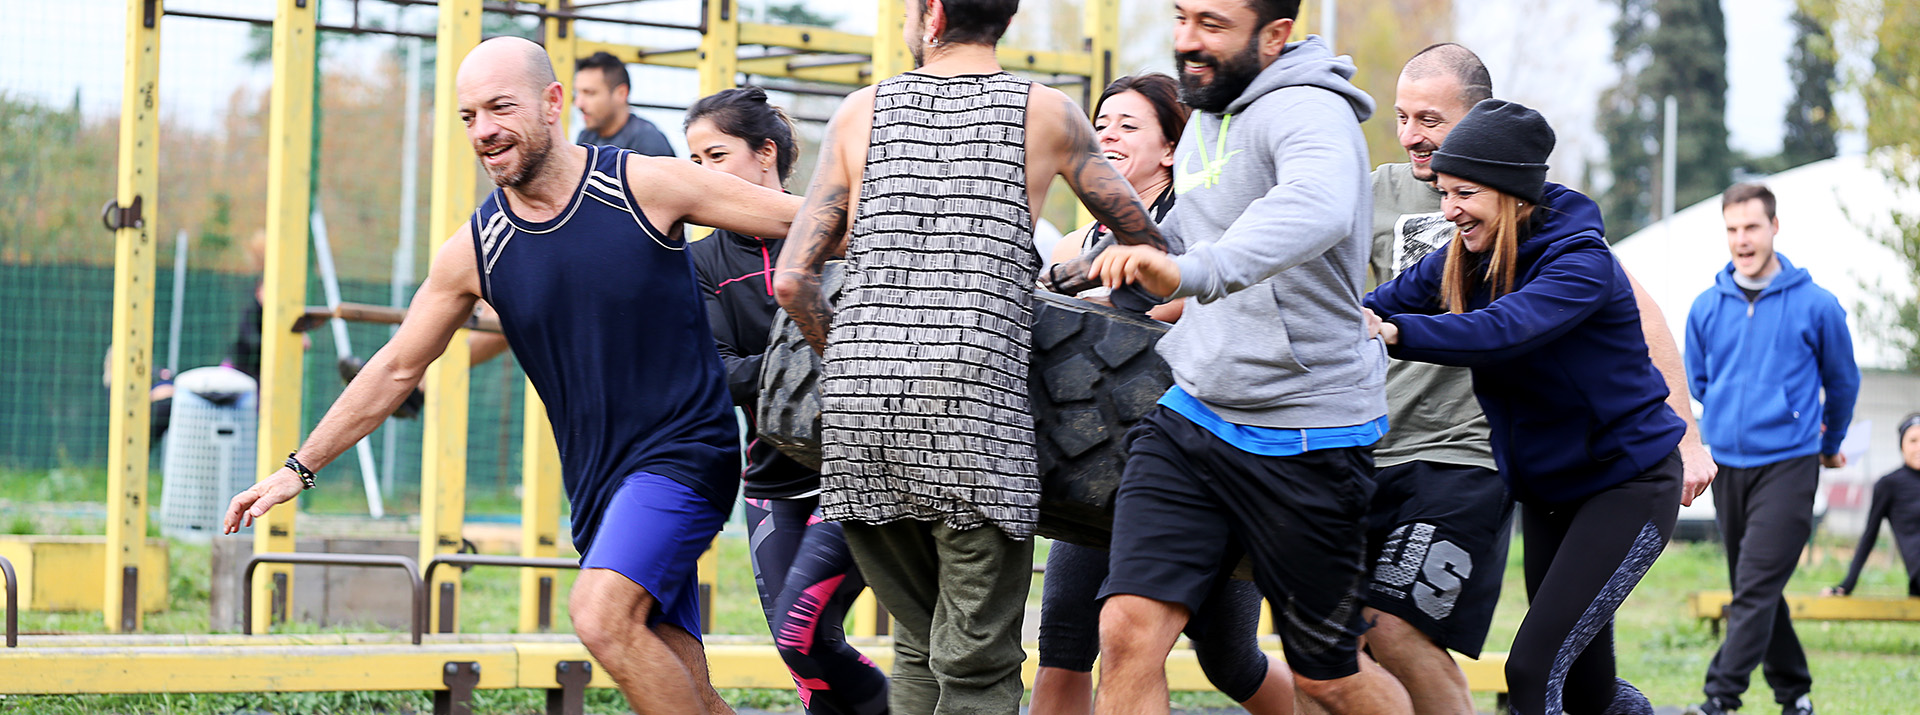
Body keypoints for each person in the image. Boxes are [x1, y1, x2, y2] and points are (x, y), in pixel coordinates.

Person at [223, 37, 803, 715]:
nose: (485, 130)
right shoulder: (475, 248)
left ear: (553, 103)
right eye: (470, 116)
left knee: (599, 615)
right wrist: (298, 466)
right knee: (687, 685)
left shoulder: (642, 185)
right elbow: (396, 366)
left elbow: (804, 220)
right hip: (597, 487)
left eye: (500, 107)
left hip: (685, 455)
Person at [773, 0, 1170, 710]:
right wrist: (1080, 277)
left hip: (860, 412)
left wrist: (856, 360)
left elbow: (793, 278)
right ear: (1005, 19)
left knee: (918, 641)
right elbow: (1147, 245)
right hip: (974, 416)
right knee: (978, 663)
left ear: (931, 13)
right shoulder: (1046, 112)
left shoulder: (859, 112)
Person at [1366, 43, 1714, 715]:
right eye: (1443, 193)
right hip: (1551, 495)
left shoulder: (1578, 264)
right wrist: (1348, 319)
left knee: (1530, 672)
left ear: (1513, 194)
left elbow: (1500, 331)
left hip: (1628, 486)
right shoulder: (1465, 253)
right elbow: (1388, 299)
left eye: (1464, 194)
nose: (1450, 211)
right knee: (1586, 691)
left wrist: (1395, 334)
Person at [1083, 2, 1407, 713]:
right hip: (1195, 413)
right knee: (1128, 630)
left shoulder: (1309, 110)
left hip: (1307, 431)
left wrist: (1197, 271)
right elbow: (1189, 232)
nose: (1187, 42)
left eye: (1211, 24)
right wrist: (1089, 270)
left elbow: (1315, 205)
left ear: (1275, 34)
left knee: (1329, 674)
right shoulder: (1207, 113)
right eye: (1180, 17)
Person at [1032, 73, 1290, 715]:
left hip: (1190, 464)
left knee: (1229, 657)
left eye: (1128, 125)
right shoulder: (1077, 242)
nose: (1108, 135)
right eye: (1102, 124)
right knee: (1065, 638)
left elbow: (1184, 302)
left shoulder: (1198, 230)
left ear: (1172, 149)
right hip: (1095, 470)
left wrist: (1113, 296)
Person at [684, 86, 890, 715]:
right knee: (797, 648)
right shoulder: (699, 261)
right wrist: (811, 362)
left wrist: (773, 370)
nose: (698, 175)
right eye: (691, 162)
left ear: (765, 152)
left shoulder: (841, 233)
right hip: (770, 478)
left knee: (803, 634)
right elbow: (717, 376)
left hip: (859, 471)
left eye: (713, 156)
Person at [1683, 181, 1860, 715]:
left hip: (1790, 461)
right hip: (1730, 466)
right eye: (1732, 229)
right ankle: (1795, 691)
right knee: (1756, 584)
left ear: (1774, 227)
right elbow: (1700, 379)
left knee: (1754, 586)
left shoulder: (1817, 305)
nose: (1742, 240)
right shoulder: (1706, 306)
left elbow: (1843, 381)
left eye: (1752, 227)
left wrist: (1829, 441)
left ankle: (1721, 696)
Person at [1828, 414, 1920, 598]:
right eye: (1913, 440)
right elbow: (1869, 536)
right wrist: (1847, 584)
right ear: (1901, 445)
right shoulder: (1889, 485)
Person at [575, 51, 676, 156]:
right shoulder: (586, 137)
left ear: (621, 93)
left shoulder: (647, 141)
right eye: (577, 93)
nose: (578, 104)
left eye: (589, 93)